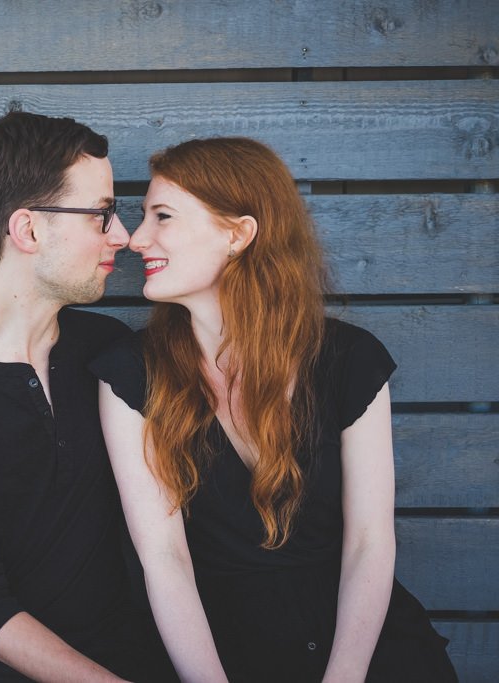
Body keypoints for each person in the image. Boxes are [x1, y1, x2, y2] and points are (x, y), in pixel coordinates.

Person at [90, 137, 457, 682]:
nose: (137, 239)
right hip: (221, 653)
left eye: (161, 216)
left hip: (365, 650)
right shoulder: (130, 375)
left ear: (238, 234)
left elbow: (369, 543)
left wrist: (345, 676)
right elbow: (165, 561)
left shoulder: (349, 361)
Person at [0, 111, 175, 682]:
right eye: (102, 214)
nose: (123, 236)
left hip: (123, 654)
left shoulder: (113, 354)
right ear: (28, 231)